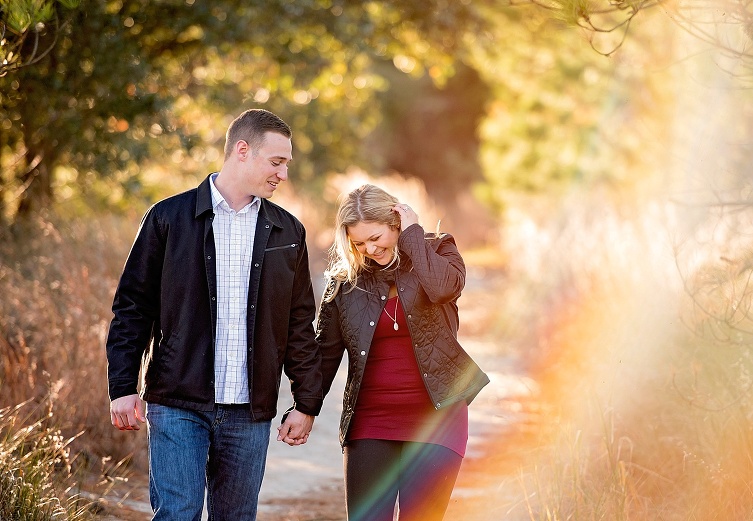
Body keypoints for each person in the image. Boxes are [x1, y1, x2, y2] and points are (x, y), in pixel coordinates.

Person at [105, 108, 323, 520]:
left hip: (250, 411)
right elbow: (133, 307)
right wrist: (122, 384)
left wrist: (306, 401)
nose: (283, 174)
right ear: (242, 150)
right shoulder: (168, 218)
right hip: (177, 401)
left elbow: (298, 323)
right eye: (276, 162)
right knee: (177, 513)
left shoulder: (288, 231)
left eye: (287, 164)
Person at [316, 184, 490, 521]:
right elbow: (324, 352)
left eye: (376, 237)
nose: (369, 248)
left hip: (438, 419)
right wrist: (305, 407)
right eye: (358, 243)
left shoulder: (439, 250)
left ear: (396, 222)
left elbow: (442, 289)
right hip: (370, 421)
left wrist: (413, 234)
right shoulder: (346, 281)